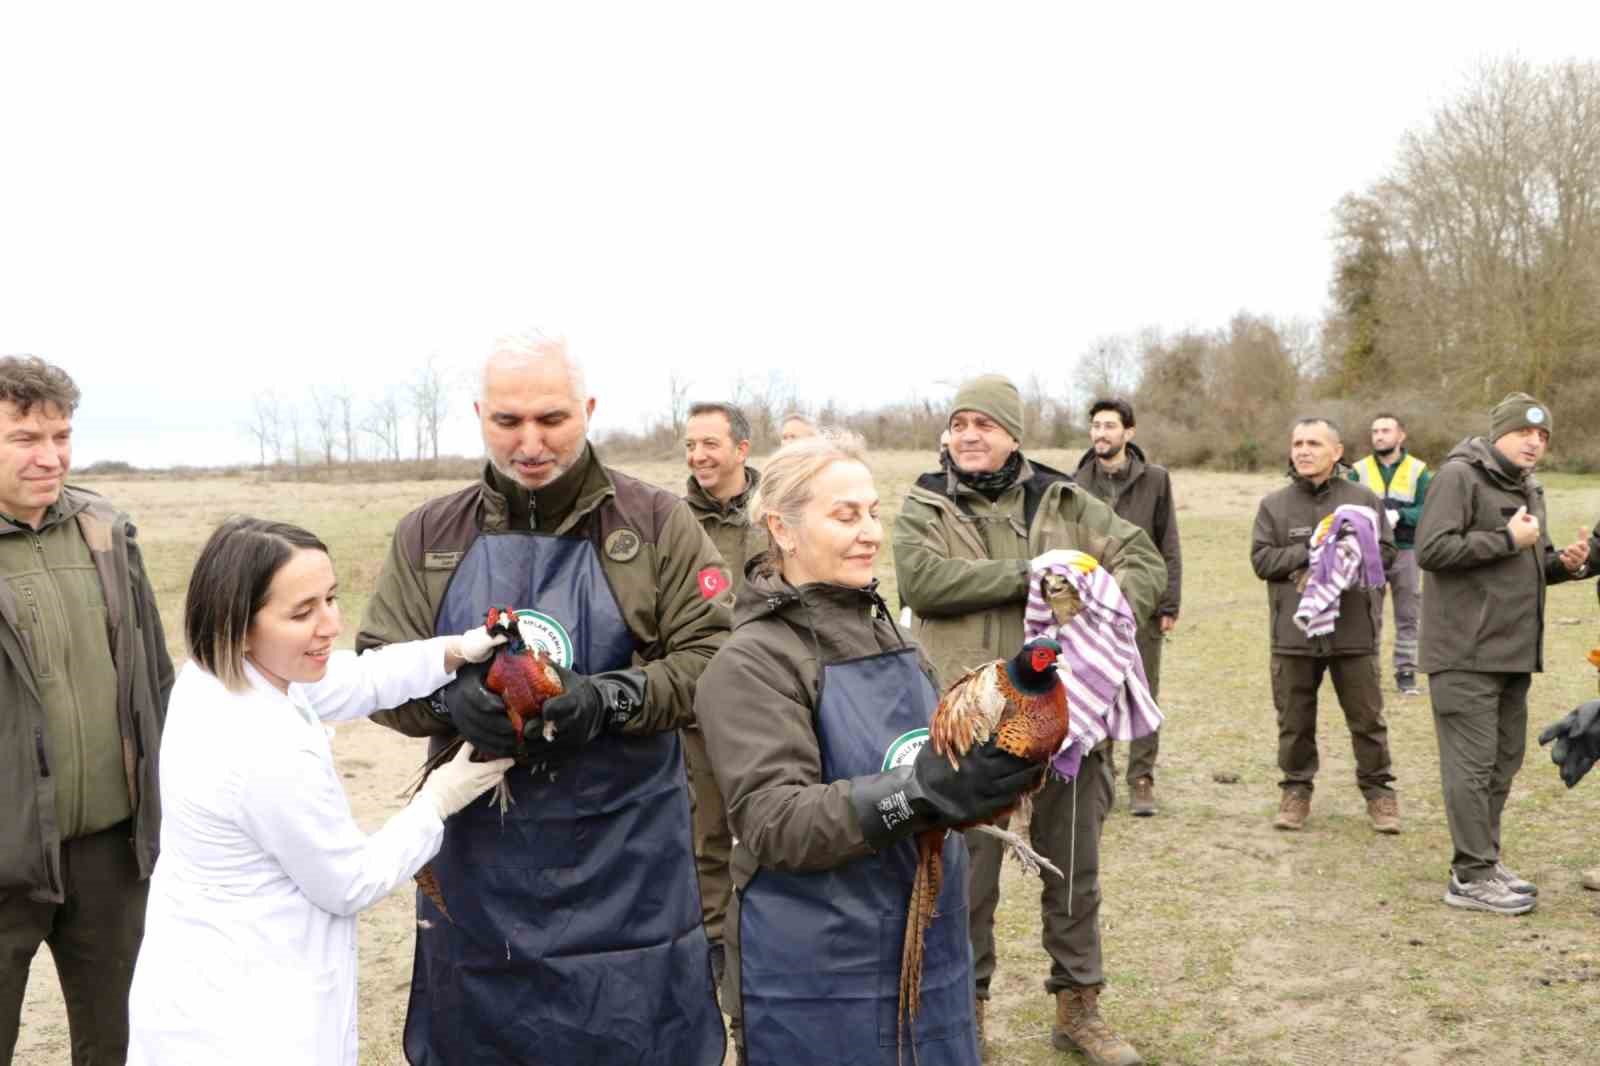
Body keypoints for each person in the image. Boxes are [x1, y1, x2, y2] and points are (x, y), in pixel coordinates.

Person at [359, 332, 730, 1065]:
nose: (530, 443)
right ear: (480, 416)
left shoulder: (657, 524)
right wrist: (451, 702)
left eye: (551, 419)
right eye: (508, 421)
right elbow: (376, 670)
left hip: (627, 858)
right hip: (479, 860)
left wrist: (606, 700)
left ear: (587, 410)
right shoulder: (429, 535)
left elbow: (714, 660)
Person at [697, 431, 1038, 1066]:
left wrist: (987, 775)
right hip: (819, 975)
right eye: (845, 515)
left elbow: (929, 765)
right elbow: (775, 821)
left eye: (874, 513)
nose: (871, 534)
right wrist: (920, 794)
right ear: (783, 529)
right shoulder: (753, 662)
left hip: (930, 949)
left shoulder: (895, 639)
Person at [126, 517, 512, 1064]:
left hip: (204, 976)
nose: (331, 624)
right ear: (238, 623)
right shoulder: (259, 746)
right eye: (302, 612)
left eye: (330, 598)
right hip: (246, 1020)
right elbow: (349, 882)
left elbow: (358, 679)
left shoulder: (221, 672)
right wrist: (438, 800)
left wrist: (454, 651)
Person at [893, 374, 1166, 1066]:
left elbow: (1142, 557)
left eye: (984, 424)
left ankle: (1079, 1008)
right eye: (959, 424)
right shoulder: (925, 502)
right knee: (965, 878)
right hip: (973, 730)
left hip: (1065, 721)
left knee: (1073, 870)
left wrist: (1108, 608)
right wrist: (1031, 574)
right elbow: (922, 581)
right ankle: (966, 1013)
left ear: (1013, 435)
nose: (968, 436)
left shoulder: (1065, 499)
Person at [0, 356, 172, 1066]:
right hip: (4, 855)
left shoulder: (106, 532)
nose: (50, 457)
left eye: (61, 436)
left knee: (118, 1045)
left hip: (109, 852)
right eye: (24, 438)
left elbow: (155, 680)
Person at [1416, 393, 1591, 914]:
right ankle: (1470, 877)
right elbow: (1431, 549)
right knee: (1470, 768)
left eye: (1543, 436)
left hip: (1513, 654)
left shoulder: (1529, 487)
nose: (1534, 442)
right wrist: (1505, 538)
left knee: (1502, 763)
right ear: (1498, 434)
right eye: (1524, 433)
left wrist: (1565, 564)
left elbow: (1532, 562)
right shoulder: (1459, 477)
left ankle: (1483, 861)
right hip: (1464, 653)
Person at [1250, 417, 1400, 834]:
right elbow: (1262, 560)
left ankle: (1379, 793)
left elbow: (1387, 554)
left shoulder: (1363, 500)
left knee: (1367, 721)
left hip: (1353, 631)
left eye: (1314, 443)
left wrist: (1351, 553)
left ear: (1337, 452)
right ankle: (1296, 791)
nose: (1303, 451)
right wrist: (1315, 549)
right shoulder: (1274, 505)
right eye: (1298, 443)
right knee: (1294, 721)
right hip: (1293, 634)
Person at [681, 399, 759, 984]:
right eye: (690, 445)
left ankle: (766, 936)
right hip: (697, 704)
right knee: (703, 834)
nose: (698, 455)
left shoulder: (773, 514)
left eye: (710, 443)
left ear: (741, 449)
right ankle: (713, 947)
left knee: (766, 826)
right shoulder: (671, 523)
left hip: (766, 702)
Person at [1075, 398, 1182, 816]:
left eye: (1109, 426)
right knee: (1093, 688)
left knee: (1142, 690)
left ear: (1128, 432)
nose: (1101, 433)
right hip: (1090, 608)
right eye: (1096, 426)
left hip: (1141, 604)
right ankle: (1099, 773)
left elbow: (1168, 542)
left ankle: (1142, 779)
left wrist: (1168, 602)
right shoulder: (1075, 482)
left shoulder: (1155, 480)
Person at [1346, 413, 1433, 696]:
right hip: (1369, 552)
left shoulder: (1419, 470)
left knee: (1408, 615)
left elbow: (1429, 509)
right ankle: (1368, 671)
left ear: (1401, 435)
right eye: (1375, 431)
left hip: (1406, 551)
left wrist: (1401, 515)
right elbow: (1347, 508)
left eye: (1385, 430)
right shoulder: (1358, 470)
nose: (1379, 436)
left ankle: (1406, 672)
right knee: (1368, 615)